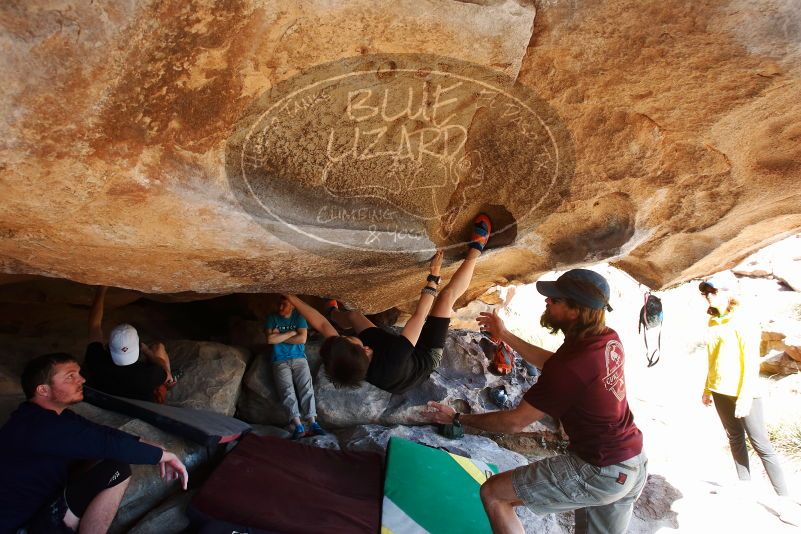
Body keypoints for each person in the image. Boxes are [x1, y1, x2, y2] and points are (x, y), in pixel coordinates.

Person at [423, 268, 646, 534]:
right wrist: (504, 335)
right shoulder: (606, 339)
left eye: (556, 300)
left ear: (576, 311)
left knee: (495, 494)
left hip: (599, 469)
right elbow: (554, 363)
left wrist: (458, 418)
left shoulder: (571, 366)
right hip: (632, 464)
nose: (547, 301)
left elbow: (515, 422)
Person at [286, 214, 492, 394]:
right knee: (446, 297)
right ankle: (477, 248)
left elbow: (322, 326)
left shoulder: (345, 358)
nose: (354, 340)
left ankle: (333, 312)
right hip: (423, 357)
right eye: (355, 342)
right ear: (366, 351)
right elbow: (419, 317)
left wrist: (292, 298)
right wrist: (434, 275)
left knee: (353, 316)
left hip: (387, 355)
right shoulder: (393, 360)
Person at [0, 352, 188, 533]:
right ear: (43, 390)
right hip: (19, 526)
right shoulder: (40, 427)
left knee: (96, 459)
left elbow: (101, 433)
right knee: (117, 468)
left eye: (79, 374)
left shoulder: (49, 417)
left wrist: (150, 445)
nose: (81, 380)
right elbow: (107, 444)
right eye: (70, 377)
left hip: (36, 509)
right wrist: (163, 456)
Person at [698, 272, 798, 525]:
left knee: (761, 444)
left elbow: (750, 363)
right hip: (720, 390)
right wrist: (707, 388)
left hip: (745, 391)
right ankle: (744, 485)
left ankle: (785, 501)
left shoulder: (743, 321)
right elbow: (714, 359)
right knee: (734, 437)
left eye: (714, 292)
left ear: (729, 293)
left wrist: (744, 397)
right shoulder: (714, 322)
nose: (709, 297)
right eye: (706, 293)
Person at [82, 286, 175, 402]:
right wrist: (147, 351)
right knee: (158, 348)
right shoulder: (151, 374)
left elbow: (94, 325)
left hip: (110, 400)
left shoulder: (96, 360)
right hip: (144, 406)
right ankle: (170, 384)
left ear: (109, 346)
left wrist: (101, 291)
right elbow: (164, 369)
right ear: (137, 346)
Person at [265, 296, 325, 439]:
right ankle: (298, 426)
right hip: (279, 360)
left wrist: (281, 336)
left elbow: (302, 339)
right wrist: (292, 333)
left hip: (298, 358)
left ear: (292, 305)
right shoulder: (271, 318)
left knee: (306, 388)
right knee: (287, 391)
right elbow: (270, 339)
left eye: (284, 304)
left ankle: (313, 423)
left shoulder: (299, 317)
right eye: (279, 304)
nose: (280, 307)